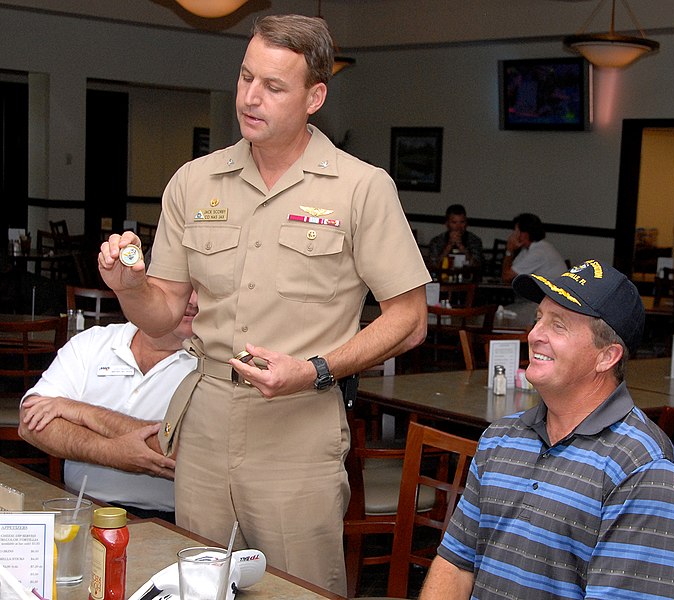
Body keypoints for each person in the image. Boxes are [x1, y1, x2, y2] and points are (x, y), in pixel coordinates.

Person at [97, 14, 429, 596]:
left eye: (274, 86)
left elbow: (410, 320)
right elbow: (165, 313)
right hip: (204, 421)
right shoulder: (195, 182)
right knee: (197, 586)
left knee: (296, 588)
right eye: (246, 77)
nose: (251, 97)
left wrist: (316, 370)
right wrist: (129, 286)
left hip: (299, 425)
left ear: (314, 97)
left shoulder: (359, 187)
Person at [420, 259, 674, 600]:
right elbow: (456, 565)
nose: (534, 335)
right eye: (538, 319)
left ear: (606, 357)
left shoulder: (643, 469)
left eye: (558, 325)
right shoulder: (500, 438)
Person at [18, 291, 199, 522]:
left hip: (171, 523)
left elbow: (182, 450)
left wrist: (83, 412)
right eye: (183, 289)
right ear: (148, 288)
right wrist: (111, 452)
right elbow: (30, 422)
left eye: (201, 289)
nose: (193, 302)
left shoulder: (216, 363)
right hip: (79, 510)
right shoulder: (93, 341)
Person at [501, 212, 567, 283]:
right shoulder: (529, 249)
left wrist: (509, 251)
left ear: (524, 234)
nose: (513, 234)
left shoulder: (538, 252)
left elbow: (506, 277)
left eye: (516, 231)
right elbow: (511, 273)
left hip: (553, 293)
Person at [428, 204, 484, 271]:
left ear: (466, 223)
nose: (458, 227)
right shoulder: (437, 241)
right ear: (447, 224)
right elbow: (433, 266)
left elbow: (477, 266)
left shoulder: (474, 240)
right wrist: (449, 246)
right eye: (454, 222)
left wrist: (462, 248)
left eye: (462, 222)